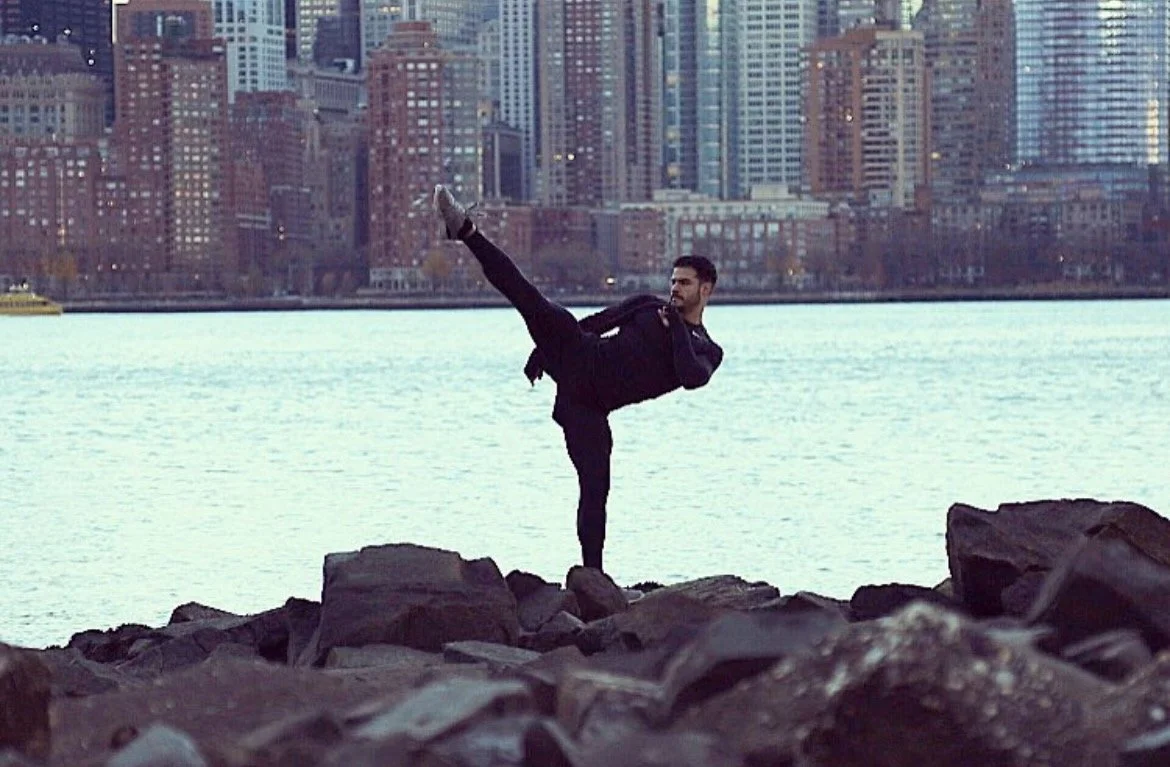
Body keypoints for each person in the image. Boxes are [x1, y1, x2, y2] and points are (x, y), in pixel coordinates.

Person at [433, 184, 724, 572]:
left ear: (705, 289)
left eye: (684, 283)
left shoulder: (706, 348)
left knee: (595, 489)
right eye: (673, 281)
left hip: (587, 407)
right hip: (578, 355)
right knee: (530, 299)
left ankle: (593, 579)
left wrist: (674, 329)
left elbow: (691, 377)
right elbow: (598, 322)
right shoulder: (647, 305)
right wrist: (544, 349)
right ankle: (466, 229)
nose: (674, 289)